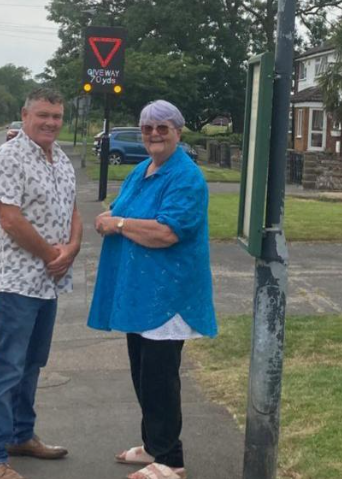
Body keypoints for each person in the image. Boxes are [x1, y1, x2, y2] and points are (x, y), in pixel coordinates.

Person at [88, 100, 217, 479]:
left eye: (163, 127)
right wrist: (110, 218)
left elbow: (167, 232)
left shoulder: (185, 177)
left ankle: (171, 460)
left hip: (167, 296)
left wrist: (119, 223)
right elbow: (119, 208)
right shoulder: (144, 169)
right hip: (139, 294)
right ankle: (153, 445)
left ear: (178, 131)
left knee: (160, 378)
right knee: (142, 373)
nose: (154, 134)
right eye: (147, 128)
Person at [0, 88, 82, 479]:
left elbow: (72, 209)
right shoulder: (7, 158)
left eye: (57, 116)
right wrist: (51, 255)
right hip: (17, 282)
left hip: (48, 282)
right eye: (43, 115)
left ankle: (21, 436)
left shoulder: (61, 159)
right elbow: (10, 219)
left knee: (33, 364)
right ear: (24, 115)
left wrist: (71, 249)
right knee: (6, 367)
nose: (51, 123)